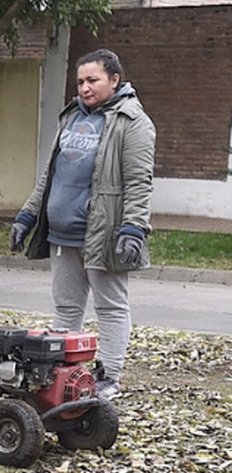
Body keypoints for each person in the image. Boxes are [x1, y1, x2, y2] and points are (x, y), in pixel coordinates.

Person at [10, 49, 155, 402]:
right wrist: (27, 216)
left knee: (111, 306)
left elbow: (139, 182)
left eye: (93, 80)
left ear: (115, 80)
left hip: (103, 233)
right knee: (66, 307)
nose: (85, 88)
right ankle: (63, 375)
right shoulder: (72, 115)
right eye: (80, 81)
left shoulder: (132, 122)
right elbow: (51, 174)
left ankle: (108, 377)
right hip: (61, 232)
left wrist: (134, 228)